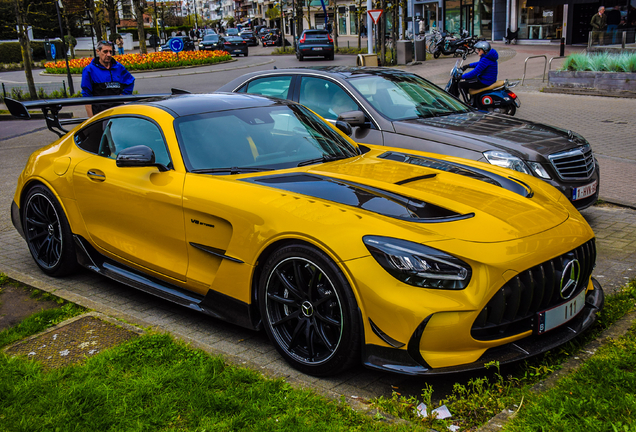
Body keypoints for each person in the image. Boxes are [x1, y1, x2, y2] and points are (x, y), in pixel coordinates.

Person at [81, 40, 135, 117]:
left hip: (118, 111)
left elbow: (130, 81)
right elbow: (87, 96)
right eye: (105, 52)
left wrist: (124, 95)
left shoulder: (119, 67)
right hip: (100, 113)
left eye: (110, 52)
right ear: (98, 51)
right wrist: (91, 118)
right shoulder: (89, 70)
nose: (109, 54)